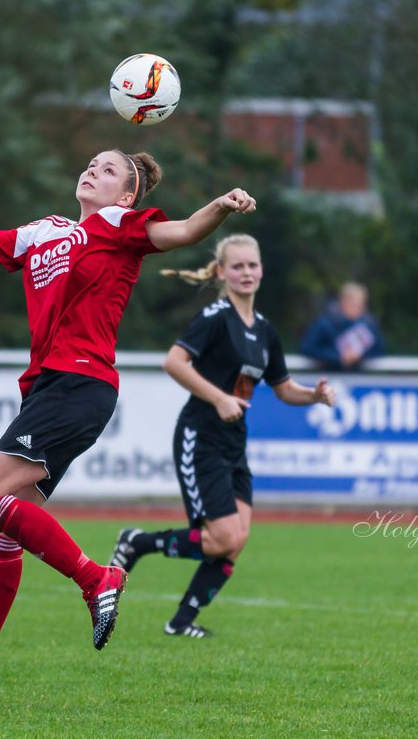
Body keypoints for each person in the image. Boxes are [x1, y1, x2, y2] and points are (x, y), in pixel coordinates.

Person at [0, 149, 257, 693]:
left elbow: (182, 232)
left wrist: (222, 207)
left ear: (128, 195)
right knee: (2, 528)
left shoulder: (120, 225)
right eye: (90, 163)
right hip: (50, 389)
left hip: (80, 383)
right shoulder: (45, 231)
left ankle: (98, 578)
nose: (92, 169)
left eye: (108, 170)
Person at [108, 234, 335, 638]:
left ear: (262, 270)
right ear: (221, 272)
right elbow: (173, 362)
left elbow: (284, 389)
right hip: (201, 436)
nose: (246, 272)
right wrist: (217, 398)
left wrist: (314, 396)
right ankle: (137, 542)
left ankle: (181, 623)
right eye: (238, 266)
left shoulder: (265, 331)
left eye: (252, 265)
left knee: (235, 540)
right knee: (221, 537)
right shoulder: (216, 316)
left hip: (234, 441)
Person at [300, 281, 385, 371]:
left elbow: (379, 350)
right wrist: (337, 357)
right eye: (353, 304)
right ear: (342, 303)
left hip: (357, 379)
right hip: (329, 376)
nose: (357, 309)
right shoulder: (325, 323)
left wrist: (359, 356)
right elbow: (307, 348)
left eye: (360, 305)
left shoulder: (369, 325)